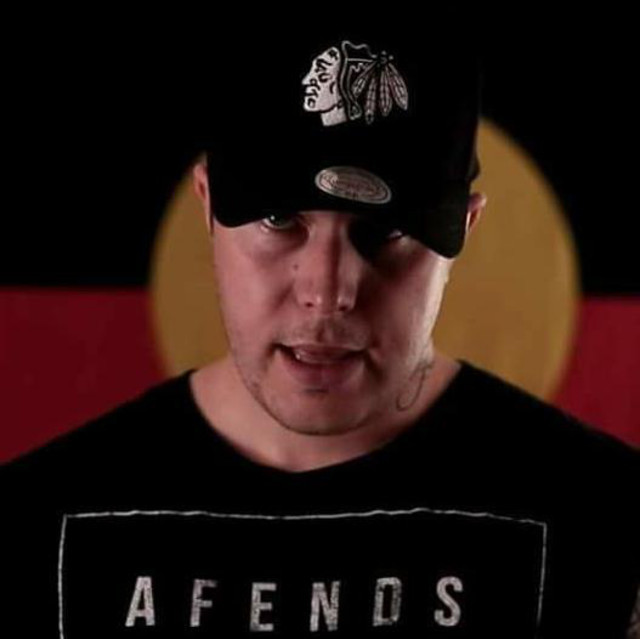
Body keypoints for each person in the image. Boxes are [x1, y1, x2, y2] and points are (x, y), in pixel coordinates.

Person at [2, 23, 638, 638]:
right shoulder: (38, 528)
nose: (327, 292)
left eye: (384, 229)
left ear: (464, 230)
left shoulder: (609, 528)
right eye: (280, 219)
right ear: (208, 204)